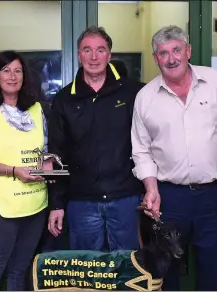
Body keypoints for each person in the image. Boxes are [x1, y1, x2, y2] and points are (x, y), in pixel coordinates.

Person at [131, 25, 217, 291]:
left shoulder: (216, 82)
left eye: (176, 50)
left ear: (188, 51)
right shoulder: (145, 98)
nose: (171, 58)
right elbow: (141, 149)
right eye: (163, 53)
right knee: (166, 271)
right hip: (169, 198)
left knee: (214, 267)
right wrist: (151, 188)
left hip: (214, 195)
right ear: (155, 57)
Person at [47, 26, 146, 252]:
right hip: (82, 201)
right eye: (87, 50)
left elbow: (150, 141)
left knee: (126, 272)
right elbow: (56, 154)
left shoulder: (133, 92)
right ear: (79, 55)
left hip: (126, 199)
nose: (94, 57)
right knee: (87, 272)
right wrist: (57, 204)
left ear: (109, 55)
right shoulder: (64, 99)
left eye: (100, 50)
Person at [0, 50, 51, 291]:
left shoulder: (36, 109)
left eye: (18, 70)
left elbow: (42, 149)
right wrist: (15, 171)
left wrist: (47, 166)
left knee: (20, 272)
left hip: (34, 202)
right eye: (6, 70)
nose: (12, 76)